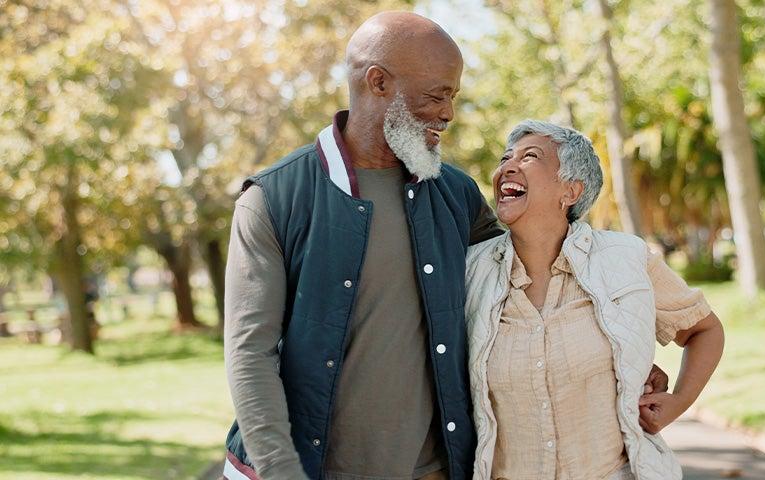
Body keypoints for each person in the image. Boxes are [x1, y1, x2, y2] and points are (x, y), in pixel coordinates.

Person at [223, 12, 668, 480]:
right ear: (378, 82)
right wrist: (280, 472)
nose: (448, 113)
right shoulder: (274, 199)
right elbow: (251, 352)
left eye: (452, 97)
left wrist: (617, 345)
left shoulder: (455, 192)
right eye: (436, 95)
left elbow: (528, 275)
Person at [464, 120, 725, 480]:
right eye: (507, 157)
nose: (508, 166)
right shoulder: (469, 270)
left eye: (530, 157)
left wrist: (678, 401)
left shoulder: (626, 258)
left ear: (570, 191)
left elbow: (703, 329)